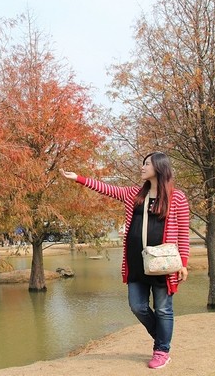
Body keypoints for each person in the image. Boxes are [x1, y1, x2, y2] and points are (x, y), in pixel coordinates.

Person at [60, 152, 190, 370]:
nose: (142, 167)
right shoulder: (134, 194)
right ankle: (161, 337)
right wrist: (78, 178)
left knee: (163, 309)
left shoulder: (177, 198)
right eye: (143, 163)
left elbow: (183, 233)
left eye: (146, 164)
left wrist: (183, 263)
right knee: (137, 306)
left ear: (159, 167)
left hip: (164, 264)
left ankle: (162, 351)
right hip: (136, 263)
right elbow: (107, 189)